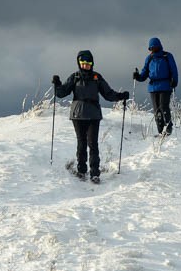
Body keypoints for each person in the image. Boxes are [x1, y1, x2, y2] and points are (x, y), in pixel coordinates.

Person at [52, 50, 128, 183]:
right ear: (79, 63)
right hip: (78, 115)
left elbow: (108, 94)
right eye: (83, 63)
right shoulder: (74, 77)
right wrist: (57, 84)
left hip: (93, 115)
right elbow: (62, 93)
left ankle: (94, 173)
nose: (85, 65)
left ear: (92, 63)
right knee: (81, 143)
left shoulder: (97, 78)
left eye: (88, 63)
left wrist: (121, 96)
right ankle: (81, 171)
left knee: (93, 144)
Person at [133, 37, 179, 135]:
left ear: (159, 46)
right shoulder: (149, 59)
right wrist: (138, 77)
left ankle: (168, 126)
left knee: (163, 106)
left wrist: (174, 80)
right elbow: (144, 73)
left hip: (166, 85)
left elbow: (173, 69)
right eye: (151, 48)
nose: (153, 50)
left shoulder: (167, 56)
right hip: (153, 87)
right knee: (156, 110)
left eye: (154, 48)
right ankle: (160, 130)